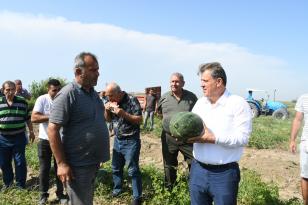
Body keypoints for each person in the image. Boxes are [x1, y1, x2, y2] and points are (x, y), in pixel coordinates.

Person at [47, 52, 110, 205]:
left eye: (98, 69)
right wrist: (61, 164)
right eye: (93, 70)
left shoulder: (93, 94)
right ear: (78, 72)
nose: (98, 73)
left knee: (85, 200)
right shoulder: (68, 94)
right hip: (78, 164)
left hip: (92, 161)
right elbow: (52, 129)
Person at [187, 62, 252, 205]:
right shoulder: (200, 104)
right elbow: (192, 129)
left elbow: (243, 138)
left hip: (224, 175)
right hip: (198, 170)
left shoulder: (237, 103)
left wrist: (213, 138)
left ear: (219, 82)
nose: (201, 85)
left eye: (205, 81)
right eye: (201, 81)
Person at [157, 72, 198, 189]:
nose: (174, 84)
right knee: (169, 164)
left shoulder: (192, 97)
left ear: (183, 83)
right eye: (172, 81)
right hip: (168, 138)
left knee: (193, 162)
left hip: (187, 138)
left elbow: (197, 115)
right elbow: (159, 113)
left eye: (177, 81)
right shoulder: (164, 97)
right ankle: (170, 188)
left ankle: (193, 188)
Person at [104, 82, 143, 205]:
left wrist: (122, 113)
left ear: (118, 93)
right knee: (115, 167)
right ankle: (117, 189)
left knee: (133, 169)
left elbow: (139, 120)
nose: (108, 98)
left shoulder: (132, 100)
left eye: (110, 96)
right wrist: (107, 110)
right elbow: (109, 119)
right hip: (118, 139)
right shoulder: (111, 101)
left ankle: (137, 196)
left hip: (131, 140)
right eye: (107, 96)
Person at [31, 79, 68, 205]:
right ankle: (43, 195)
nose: (57, 92)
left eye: (59, 90)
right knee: (44, 169)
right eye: (54, 90)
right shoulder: (42, 99)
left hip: (62, 140)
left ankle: (61, 193)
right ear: (48, 89)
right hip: (45, 140)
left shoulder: (65, 100)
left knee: (61, 167)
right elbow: (34, 117)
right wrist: (53, 116)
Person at [0, 81, 35, 189]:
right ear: (3, 90)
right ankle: (8, 184)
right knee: (4, 163)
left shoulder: (22, 102)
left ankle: (20, 185)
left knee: (20, 162)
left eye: (12, 89)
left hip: (18, 137)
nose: (10, 92)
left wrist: (31, 131)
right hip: (3, 138)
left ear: (15, 90)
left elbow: (27, 118)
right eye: (7, 89)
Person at [290, 94, 308, 205]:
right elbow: (297, 120)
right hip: (307, 143)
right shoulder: (304, 98)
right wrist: (292, 140)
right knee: (306, 176)